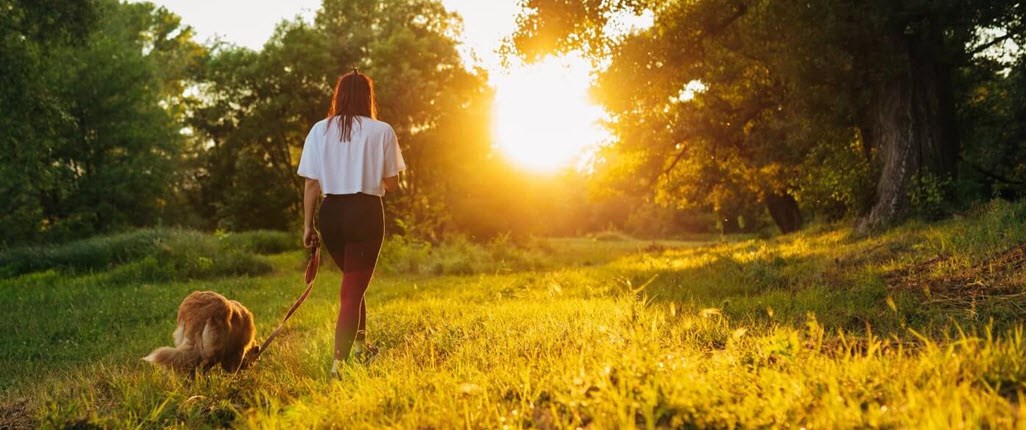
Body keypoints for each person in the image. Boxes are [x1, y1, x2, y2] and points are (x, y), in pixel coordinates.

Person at [296, 68, 405, 376]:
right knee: (352, 290)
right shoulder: (381, 131)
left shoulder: (319, 130)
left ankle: (361, 347)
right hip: (365, 212)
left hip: (330, 214)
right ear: (368, 97)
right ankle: (339, 366)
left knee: (354, 284)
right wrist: (398, 178)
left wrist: (308, 225)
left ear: (339, 95)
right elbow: (392, 183)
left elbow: (311, 183)